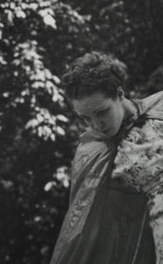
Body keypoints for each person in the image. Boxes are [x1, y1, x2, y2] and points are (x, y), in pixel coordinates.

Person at [50, 51, 163, 264]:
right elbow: (85, 227)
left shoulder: (160, 109)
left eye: (102, 112)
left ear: (119, 94)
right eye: (85, 118)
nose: (96, 125)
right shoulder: (96, 152)